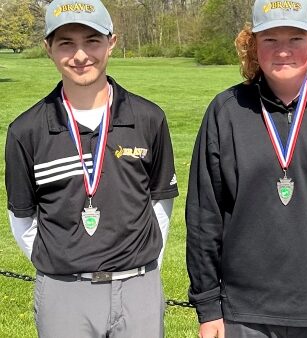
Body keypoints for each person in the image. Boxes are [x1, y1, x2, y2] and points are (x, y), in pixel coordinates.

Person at [185, 0, 307, 337]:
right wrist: (207, 306)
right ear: (252, 45)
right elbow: (205, 215)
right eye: (270, 40)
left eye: (296, 38)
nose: (283, 51)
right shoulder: (227, 111)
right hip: (244, 313)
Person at [5, 0, 179, 336]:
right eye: (66, 43)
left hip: (137, 287)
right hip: (64, 291)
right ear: (48, 49)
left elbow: (160, 202)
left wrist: (144, 267)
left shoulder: (148, 118)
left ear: (112, 42)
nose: (81, 55)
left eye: (92, 41)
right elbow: (22, 218)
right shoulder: (25, 131)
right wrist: (63, 266)